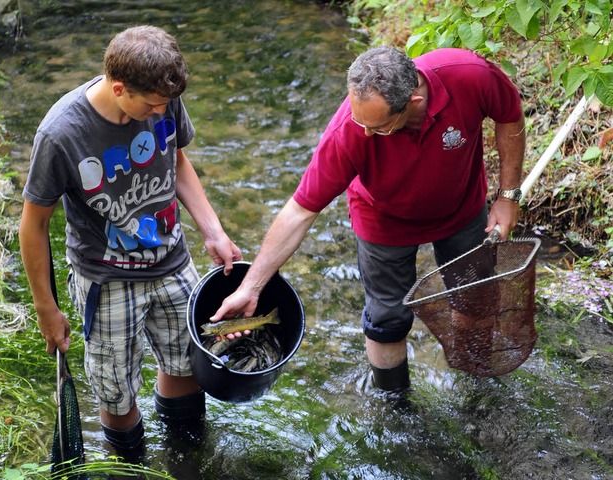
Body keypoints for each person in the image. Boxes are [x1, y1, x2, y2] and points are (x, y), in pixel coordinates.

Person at [210, 46, 525, 392]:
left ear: (414, 102)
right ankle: (394, 406)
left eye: (378, 127)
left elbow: (510, 116)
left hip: (461, 210)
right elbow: (300, 211)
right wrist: (250, 287)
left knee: (475, 299)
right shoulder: (349, 130)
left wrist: (508, 196)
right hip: (383, 221)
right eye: (359, 120)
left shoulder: (469, 74)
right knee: (386, 318)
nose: (364, 132)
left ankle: (476, 386)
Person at [19, 25, 242, 451]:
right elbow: (33, 225)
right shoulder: (61, 134)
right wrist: (46, 308)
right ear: (119, 88)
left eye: (167, 103)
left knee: (189, 368)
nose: (163, 111)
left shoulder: (164, 96)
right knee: (116, 393)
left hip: (173, 262)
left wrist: (214, 231)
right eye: (154, 104)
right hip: (106, 280)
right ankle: (129, 464)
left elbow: (176, 159)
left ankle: (185, 461)